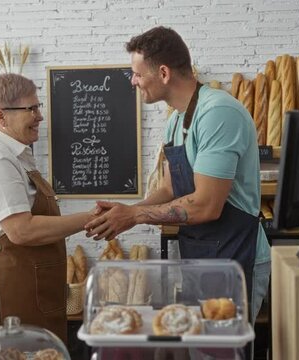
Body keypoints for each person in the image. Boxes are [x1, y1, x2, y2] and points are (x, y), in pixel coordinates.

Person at [84, 26, 271, 328]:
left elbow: (207, 205)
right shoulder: (176, 120)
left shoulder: (217, 113)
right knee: (200, 345)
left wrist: (135, 216)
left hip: (235, 256)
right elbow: (170, 186)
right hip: (201, 257)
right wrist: (127, 211)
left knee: (223, 350)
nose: (133, 81)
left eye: (137, 74)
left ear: (163, 73)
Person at [0, 73, 94, 340]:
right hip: (9, 290)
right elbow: (21, 231)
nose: (40, 116)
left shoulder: (17, 156)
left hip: (30, 285)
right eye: (31, 109)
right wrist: (90, 218)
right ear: (1, 117)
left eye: (38, 107)